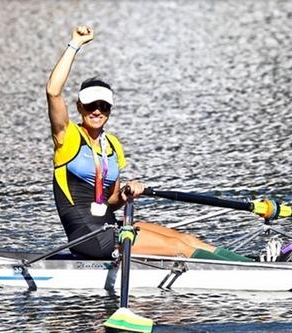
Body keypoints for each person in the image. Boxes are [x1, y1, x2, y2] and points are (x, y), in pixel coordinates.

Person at [46, 25, 250, 262]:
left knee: (186, 239)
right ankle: (251, 273)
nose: (97, 111)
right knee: (177, 248)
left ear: (110, 109)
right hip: (89, 238)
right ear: (80, 107)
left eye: (103, 106)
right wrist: (75, 45)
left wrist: (124, 194)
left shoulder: (112, 145)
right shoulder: (67, 137)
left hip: (108, 226)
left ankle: (251, 264)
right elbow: (53, 91)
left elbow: (110, 203)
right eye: (91, 105)